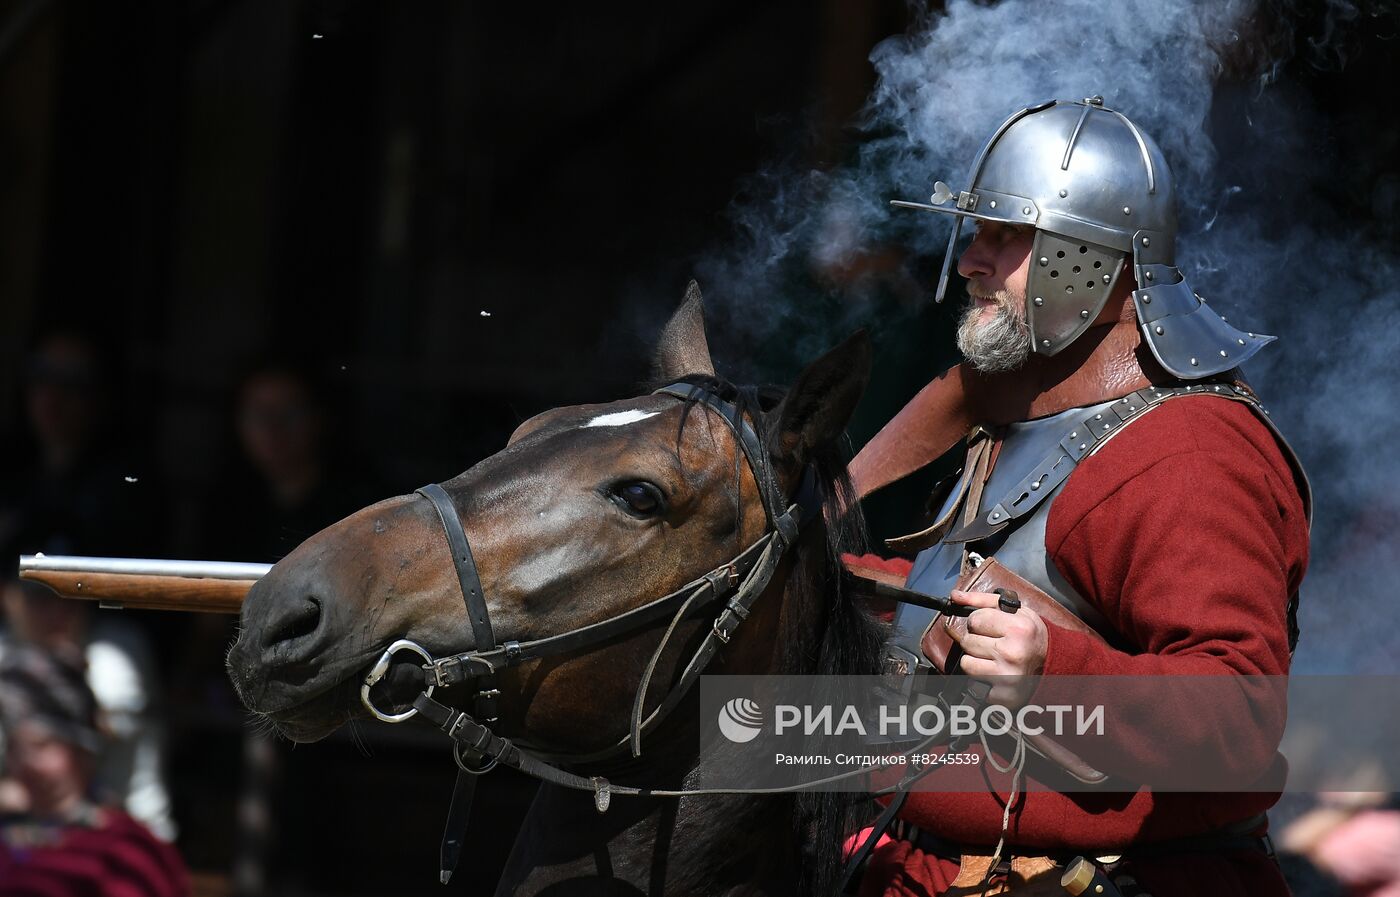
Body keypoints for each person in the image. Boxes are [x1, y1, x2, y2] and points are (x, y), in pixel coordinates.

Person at [847, 97, 1311, 896]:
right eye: (977, 233)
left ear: (1089, 258)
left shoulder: (1190, 450)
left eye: (1006, 236)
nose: (970, 262)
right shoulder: (1033, 403)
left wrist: (1053, 670)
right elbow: (940, 610)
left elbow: (1240, 715)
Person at [0, 643, 188, 896]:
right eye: (15, 749)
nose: (26, 763)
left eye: (41, 746)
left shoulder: (125, 845)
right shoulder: (9, 831)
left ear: (81, 749)